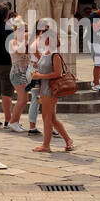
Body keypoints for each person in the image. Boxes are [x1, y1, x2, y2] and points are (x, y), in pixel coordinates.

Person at [28, 19, 74, 154]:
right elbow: (45, 70)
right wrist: (37, 71)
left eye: (43, 35)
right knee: (52, 118)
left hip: (50, 89)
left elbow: (57, 73)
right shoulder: (46, 53)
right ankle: (68, 140)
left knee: (47, 118)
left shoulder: (55, 55)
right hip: (44, 88)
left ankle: (46, 145)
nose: (41, 37)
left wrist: (39, 76)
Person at [9, 14, 40, 134]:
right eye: (22, 30)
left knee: (24, 99)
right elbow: (18, 51)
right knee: (22, 99)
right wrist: (26, 39)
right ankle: (13, 122)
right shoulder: (13, 42)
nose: (25, 32)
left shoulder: (26, 42)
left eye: (26, 30)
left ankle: (15, 121)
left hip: (25, 73)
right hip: (17, 73)